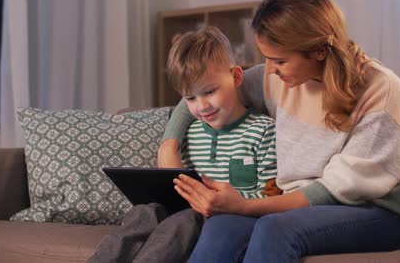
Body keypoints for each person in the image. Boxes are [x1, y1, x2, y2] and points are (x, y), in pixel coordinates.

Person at [165, 0, 400, 262]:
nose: (269, 70)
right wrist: (169, 146)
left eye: (279, 61)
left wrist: (247, 206)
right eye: (267, 59)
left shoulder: (379, 87)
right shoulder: (278, 79)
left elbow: (335, 189)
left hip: (375, 213)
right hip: (296, 210)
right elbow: (207, 89)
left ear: (319, 50)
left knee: (275, 228)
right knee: (223, 226)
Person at [88, 26, 278, 263]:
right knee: (143, 213)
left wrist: (227, 199)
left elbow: (271, 196)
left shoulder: (263, 130)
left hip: (220, 217)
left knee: (186, 219)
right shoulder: (189, 132)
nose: (202, 106)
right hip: (181, 211)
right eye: (190, 98)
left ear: (237, 77)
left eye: (210, 91)